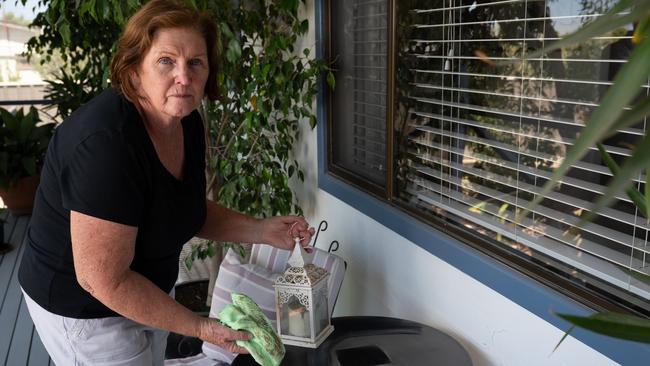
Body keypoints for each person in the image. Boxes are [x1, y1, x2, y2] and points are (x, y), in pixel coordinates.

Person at [18, 1, 315, 365]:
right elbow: (103, 281)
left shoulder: (185, 120)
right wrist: (201, 327)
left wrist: (262, 230)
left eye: (195, 63)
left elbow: (180, 207)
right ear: (133, 72)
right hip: (85, 309)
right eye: (165, 61)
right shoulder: (106, 145)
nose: (184, 77)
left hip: (146, 292)